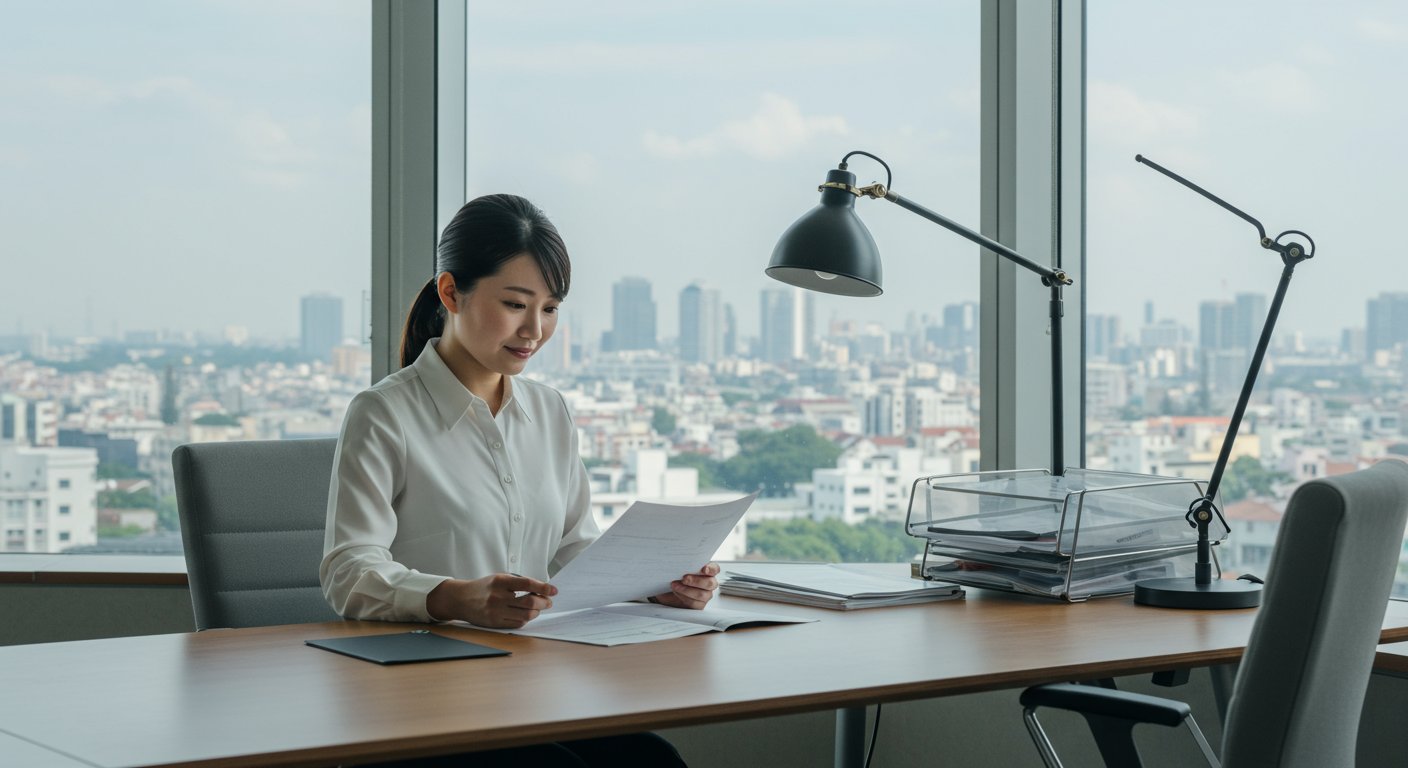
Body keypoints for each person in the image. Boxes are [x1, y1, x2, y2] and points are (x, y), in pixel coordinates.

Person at [321, 194, 717, 767]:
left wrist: (655, 584)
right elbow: (348, 570)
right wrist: (454, 597)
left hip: (530, 681)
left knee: (651, 761)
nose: (535, 329)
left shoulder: (549, 411)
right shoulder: (384, 414)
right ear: (451, 292)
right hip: (422, 694)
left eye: (551, 308)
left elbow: (575, 548)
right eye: (515, 304)